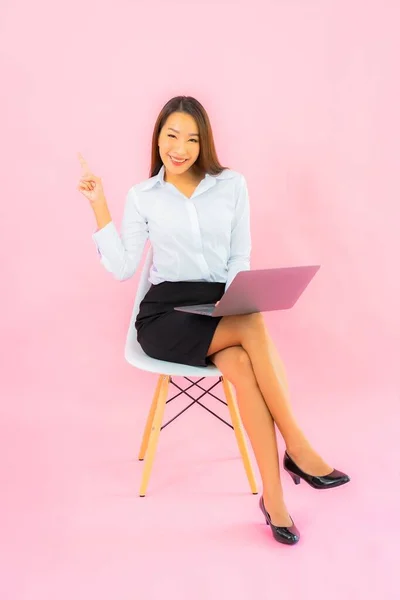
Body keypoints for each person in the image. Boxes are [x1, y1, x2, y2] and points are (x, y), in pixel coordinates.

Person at [77, 95, 350, 546]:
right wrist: (99, 204)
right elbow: (125, 267)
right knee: (252, 324)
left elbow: (240, 255)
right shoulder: (144, 196)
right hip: (164, 315)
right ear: (158, 138)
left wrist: (233, 298)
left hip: (216, 304)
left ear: (205, 142)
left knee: (243, 360)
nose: (179, 148)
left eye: (191, 138)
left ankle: (274, 501)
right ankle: (298, 447)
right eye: (171, 136)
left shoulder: (232, 185)